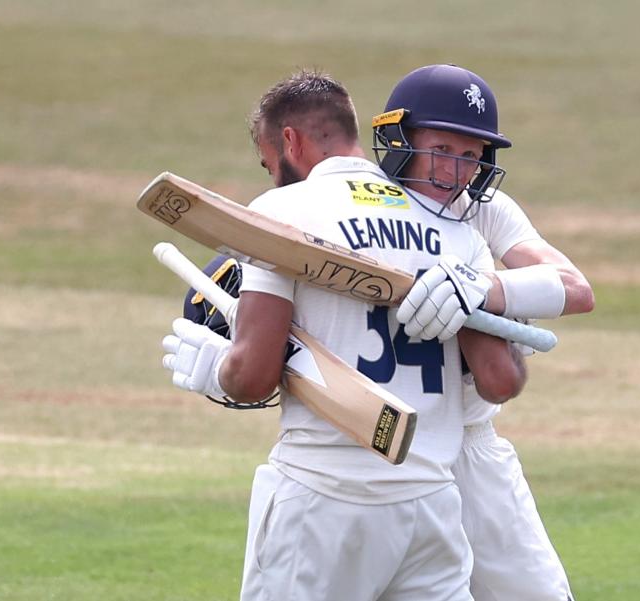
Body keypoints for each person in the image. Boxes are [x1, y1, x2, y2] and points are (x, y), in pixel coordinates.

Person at [161, 68, 526, 600]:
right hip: (431, 508)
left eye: (269, 164)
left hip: (322, 499)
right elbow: (499, 380)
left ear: (289, 140)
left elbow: (256, 376)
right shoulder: (453, 230)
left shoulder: (280, 214)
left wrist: (217, 370)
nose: (271, 178)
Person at [373, 64, 595, 601]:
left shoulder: (482, 209)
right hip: (383, 445)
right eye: (443, 149)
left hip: (473, 446)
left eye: (471, 156)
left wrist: (482, 288)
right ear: (400, 139)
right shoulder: (364, 207)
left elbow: (575, 288)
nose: (456, 171)